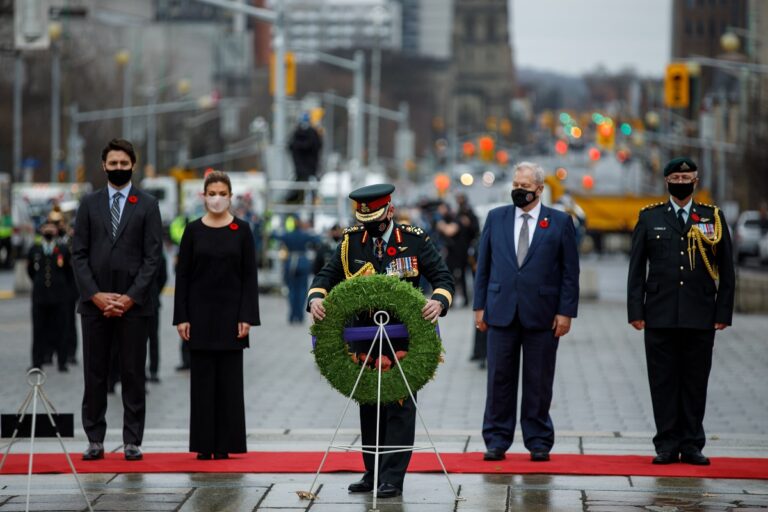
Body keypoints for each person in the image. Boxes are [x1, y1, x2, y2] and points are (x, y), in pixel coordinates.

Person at [308, 183, 454, 499]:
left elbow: (443, 277)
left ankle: (392, 477)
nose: (370, 226)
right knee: (370, 407)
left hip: (403, 338)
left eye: (375, 218)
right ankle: (372, 472)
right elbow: (325, 277)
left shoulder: (413, 240)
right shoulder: (350, 243)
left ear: (389, 210)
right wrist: (316, 299)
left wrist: (438, 301)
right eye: (365, 220)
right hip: (365, 339)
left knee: (399, 405)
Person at [627, 157, 735, 466]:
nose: (681, 180)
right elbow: (636, 269)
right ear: (667, 181)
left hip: (699, 313)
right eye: (675, 176)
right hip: (659, 314)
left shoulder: (711, 217)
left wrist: (722, 312)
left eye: (686, 176)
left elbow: (727, 269)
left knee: (695, 380)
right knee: (662, 381)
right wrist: (636, 309)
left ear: (696, 180)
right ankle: (666, 443)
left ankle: (691, 444)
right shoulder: (650, 218)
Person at [474, 161, 580, 463]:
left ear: (539, 189)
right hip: (500, 311)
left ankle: (538, 440)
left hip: (543, 314)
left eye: (525, 187)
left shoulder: (559, 222)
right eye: (516, 186)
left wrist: (566, 312)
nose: (519, 192)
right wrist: (479, 307)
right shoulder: (496, 218)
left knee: (538, 380)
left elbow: (570, 272)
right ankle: (496, 439)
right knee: (498, 379)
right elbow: (484, 266)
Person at [72, 138, 163, 462]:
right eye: (114, 163)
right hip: (94, 305)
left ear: (133, 165)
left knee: (133, 373)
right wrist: (95, 295)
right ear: (104, 165)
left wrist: (129, 298)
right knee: (94, 374)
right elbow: (78, 254)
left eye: (125, 164)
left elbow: (153, 258)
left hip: (134, 307)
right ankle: (94, 439)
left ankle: (132, 440)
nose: (119, 168)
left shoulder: (148, 205)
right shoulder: (88, 204)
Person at [173, 171, 260, 460]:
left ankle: (225, 444)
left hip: (232, 317)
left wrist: (247, 316)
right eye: (212, 193)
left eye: (222, 193)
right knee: (201, 383)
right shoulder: (193, 230)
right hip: (199, 317)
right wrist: (181, 317)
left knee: (229, 383)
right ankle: (204, 443)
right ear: (203, 196)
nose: (217, 198)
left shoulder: (243, 230)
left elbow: (250, 276)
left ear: (230, 196)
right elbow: (182, 275)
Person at [27, 217, 75, 372]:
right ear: (41, 230)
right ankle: (37, 362)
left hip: (59, 296)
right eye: (46, 227)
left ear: (55, 231)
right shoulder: (34, 249)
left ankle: (62, 361)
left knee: (61, 328)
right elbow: (31, 271)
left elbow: (69, 272)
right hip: (40, 296)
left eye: (51, 228)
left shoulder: (63, 249)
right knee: (39, 329)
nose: (49, 230)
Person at [272, 217, 320, 324]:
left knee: (292, 290)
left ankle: (292, 315)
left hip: (291, 264)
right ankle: (300, 316)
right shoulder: (305, 234)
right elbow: (318, 239)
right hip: (303, 263)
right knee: (302, 291)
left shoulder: (288, 235)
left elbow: (274, 235)